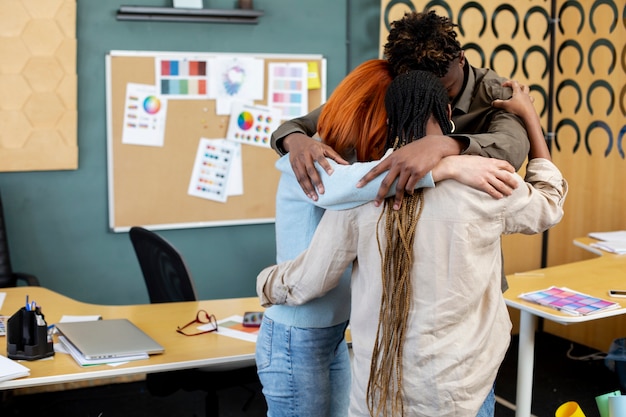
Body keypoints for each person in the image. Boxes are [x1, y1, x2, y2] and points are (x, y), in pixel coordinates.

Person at [257, 71, 568, 417]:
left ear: (389, 121)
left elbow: (309, 280)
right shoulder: (485, 182)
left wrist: (266, 282)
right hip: (463, 391)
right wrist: (531, 119)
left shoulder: (360, 193)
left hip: (377, 396)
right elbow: (549, 205)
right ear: (449, 115)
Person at [270, 10, 530, 209]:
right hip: (389, 217)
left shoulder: (496, 93)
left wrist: (443, 145)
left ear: (461, 59)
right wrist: (296, 141)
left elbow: (513, 148)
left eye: (445, 90)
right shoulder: (392, 82)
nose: (436, 100)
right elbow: (299, 125)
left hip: (461, 221)